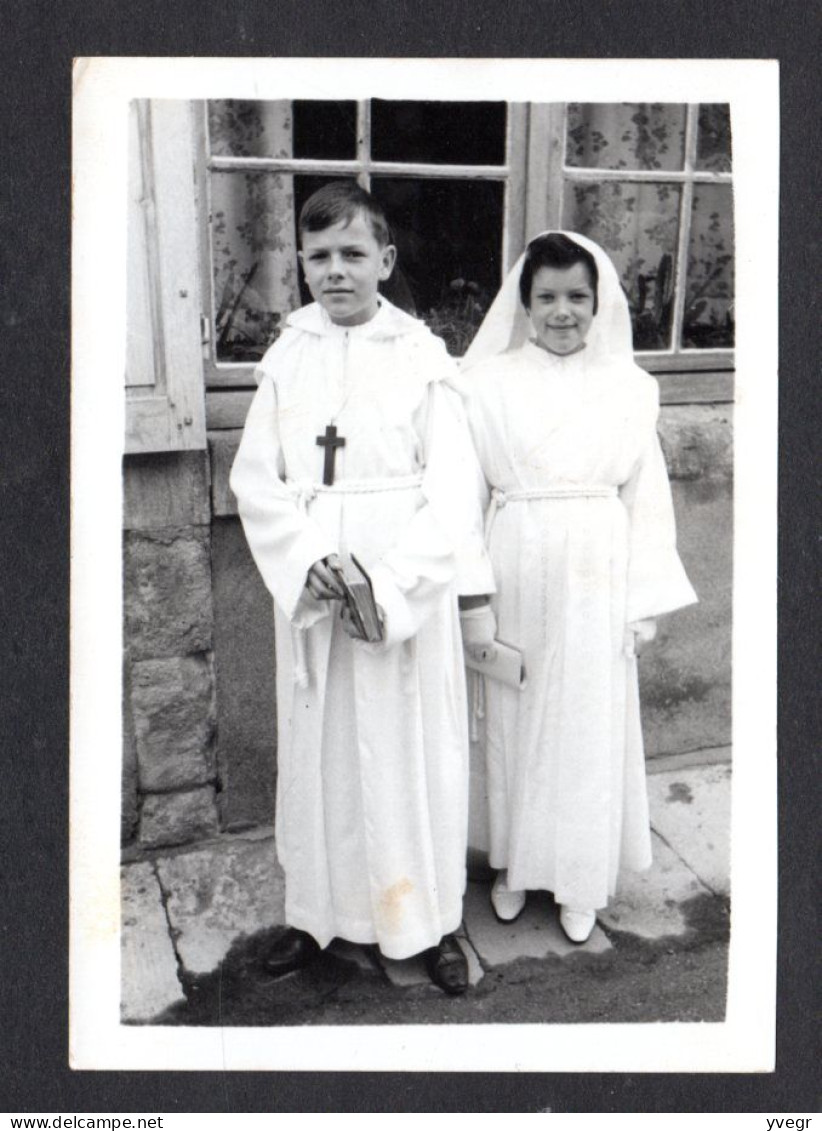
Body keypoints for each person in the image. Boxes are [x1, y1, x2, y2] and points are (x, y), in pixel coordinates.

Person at [229, 182, 493, 993]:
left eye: (352, 254)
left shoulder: (421, 357)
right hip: (316, 585)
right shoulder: (287, 356)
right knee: (325, 756)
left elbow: (454, 491)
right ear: (300, 265)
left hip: (401, 589)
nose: (335, 271)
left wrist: (386, 584)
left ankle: (433, 921)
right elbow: (257, 477)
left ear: (385, 260)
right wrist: (312, 560)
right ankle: (319, 915)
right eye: (318, 256)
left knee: (413, 754)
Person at [457, 232, 697, 943]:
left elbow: (646, 499)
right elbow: (466, 494)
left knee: (586, 723)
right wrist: (472, 593)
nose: (563, 312)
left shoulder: (629, 388)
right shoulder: (486, 384)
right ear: (525, 304)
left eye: (577, 297)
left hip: (598, 566)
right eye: (548, 297)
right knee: (512, 718)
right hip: (515, 559)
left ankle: (577, 877)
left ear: (600, 302)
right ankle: (511, 865)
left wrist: (640, 604)